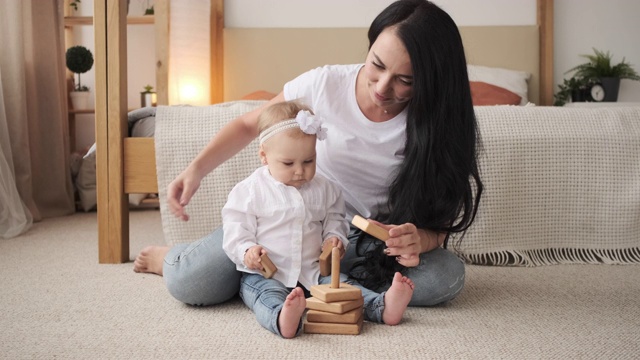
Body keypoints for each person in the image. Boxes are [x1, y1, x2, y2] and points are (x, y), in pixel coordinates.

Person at [134, 0, 482, 310]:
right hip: (282, 224)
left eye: (404, 80)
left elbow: (439, 223)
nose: (381, 88)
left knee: (444, 277)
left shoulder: (442, 123)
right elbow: (249, 125)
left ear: (431, 80)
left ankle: (274, 283)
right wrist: (196, 169)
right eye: (377, 64)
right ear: (371, 43)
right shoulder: (323, 85)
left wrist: (419, 239)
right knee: (191, 282)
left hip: (361, 244)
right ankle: (180, 258)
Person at [222, 100, 414, 338]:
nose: (300, 171)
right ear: (264, 156)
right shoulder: (249, 191)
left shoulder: (325, 188)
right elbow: (235, 230)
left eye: (309, 161)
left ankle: (382, 306)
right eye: (288, 163)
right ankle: (283, 317)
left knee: (345, 288)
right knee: (264, 296)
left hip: (313, 272)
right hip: (266, 274)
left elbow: (335, 219)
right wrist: (247, 251)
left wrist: (334, 238)